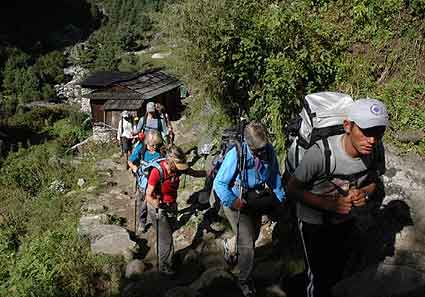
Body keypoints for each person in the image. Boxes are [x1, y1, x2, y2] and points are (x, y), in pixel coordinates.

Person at [286, 98, 388, 297]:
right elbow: (292, 189)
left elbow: (373, 180)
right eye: (366, 131)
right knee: (317, 277)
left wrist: (364, 193)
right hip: (313, 223)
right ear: (347, 126)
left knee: (337, 269)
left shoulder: (375, 150)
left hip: (345, 219)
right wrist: (329, 204)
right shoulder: (321, 153)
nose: (372, 139)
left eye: (378, 132)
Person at [213, 121, 286, 297]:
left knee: (252, 236)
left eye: (262, 148)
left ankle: (230, 247)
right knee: (247, 246)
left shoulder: (268, 151)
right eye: (256, 151)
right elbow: (219, 183)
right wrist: (232, 201)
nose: (261, 153)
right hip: (235, 201)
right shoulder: (236, 155)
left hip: (255, 199)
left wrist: (280, 198)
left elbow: (274, 176)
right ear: (248, 144)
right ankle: (244, 280)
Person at [145, 145, 206, 275]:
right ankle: (164, 266)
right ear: (171, 162)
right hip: (158, 207)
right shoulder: (157, 172)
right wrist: (156, 203)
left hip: (171, 204)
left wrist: (209, 173)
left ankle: (162, 254)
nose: (181, 169)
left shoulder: (178, 169)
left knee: (169, 231)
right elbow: (148, 195)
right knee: (165, 237)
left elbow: (194, 173)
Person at [128, 131, 164, 234]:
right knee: (142, 205)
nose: (154, 147)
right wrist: (134, 168)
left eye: (156, 144)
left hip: (156, 183)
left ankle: (157, 224)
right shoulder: (141, 149)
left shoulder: (161, 151)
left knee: (155, 204)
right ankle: (142, 222)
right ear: (147, 143)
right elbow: (130, 161)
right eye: (152, 145)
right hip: (143, 182)